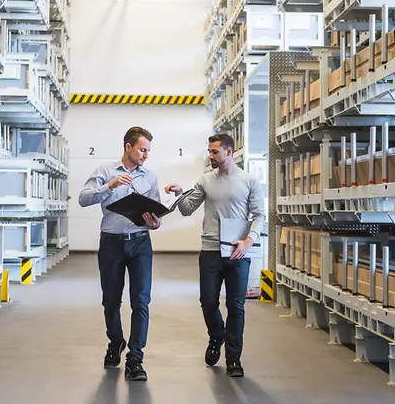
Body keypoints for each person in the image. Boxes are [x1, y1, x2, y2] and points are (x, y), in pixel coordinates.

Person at [165, 133, 266, 378]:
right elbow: (187, 210)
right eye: (209, 151)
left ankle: (234, 359)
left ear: (229, 152)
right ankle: (216, 335)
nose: (210, 155)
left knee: (236, 306)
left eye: (214, 152)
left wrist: (248, 241)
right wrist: (180, 193)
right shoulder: (205, 180)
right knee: (208, 302)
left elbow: (259, 216)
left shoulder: (249, 181)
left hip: (237, 252)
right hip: (210, 251)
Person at [78, 126, 162, 382]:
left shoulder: (150, 177)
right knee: (111, 301)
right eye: (142, 149)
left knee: (141, 301)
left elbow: (156, 216)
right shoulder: (105, 171)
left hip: (140, 243)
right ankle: (116, 342)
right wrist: (109, 186)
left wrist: (155, 223)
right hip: (111, 244)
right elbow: (83, 199)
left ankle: (135, 358)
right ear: (128, 147)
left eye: (148, 150)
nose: (146, 155)